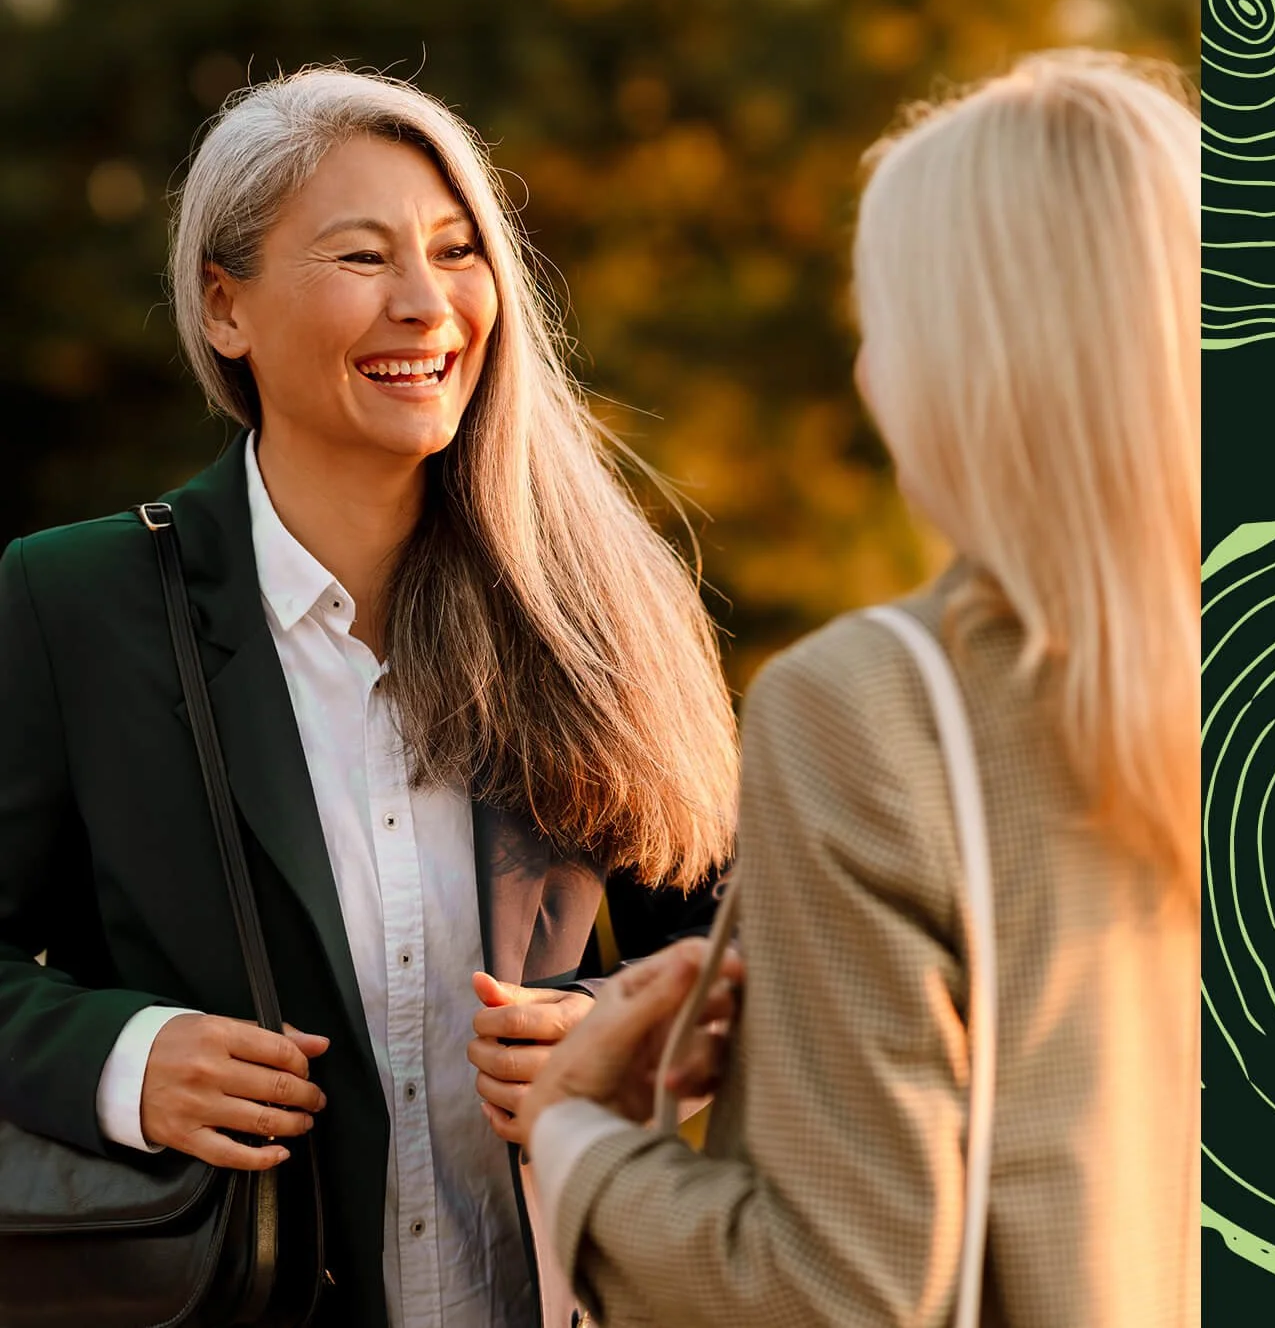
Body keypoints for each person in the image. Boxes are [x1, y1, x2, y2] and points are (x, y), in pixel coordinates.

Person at [0, 66, 738, 1328]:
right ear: (224, 308)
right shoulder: (72, 600)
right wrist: (125, 1060)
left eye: (457, 252)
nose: (425, 304)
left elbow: (730, 961)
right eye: (360, 257)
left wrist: (624, 1039)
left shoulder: (601, 604)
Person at [520, 49, 1201, 1327]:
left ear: (968, 361)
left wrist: (579, 1137)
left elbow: (834, 1290)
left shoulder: (872, 705)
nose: (863, 375)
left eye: (881, 322)